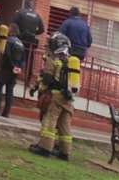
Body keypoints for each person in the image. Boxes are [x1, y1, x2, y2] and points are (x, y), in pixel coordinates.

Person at [29, 32, 80, 161]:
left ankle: (45, 148)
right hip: (68, 99)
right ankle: (64, 152)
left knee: (49, 120)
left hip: (55, 97)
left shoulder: (53, 59)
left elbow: (46, 79)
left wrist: (41, 90)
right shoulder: (70, 61)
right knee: (64, 124)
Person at [0, 22, 25, 118]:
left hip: (7, 68)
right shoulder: (21, 43)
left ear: (10, 30)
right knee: (9, 90)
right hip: (15, 70)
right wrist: (19, 68)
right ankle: (6, 112)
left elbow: (7, 54)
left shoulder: (9, 41)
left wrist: (11, 65)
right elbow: (24, 59)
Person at [12, 0, 45, 84]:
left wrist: (18, 32)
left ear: (25, 4)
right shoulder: (37, 15)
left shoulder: (20, 12)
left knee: (17, 57)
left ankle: (13, 77)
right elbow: (42, 29)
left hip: (20, 39)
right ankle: (28, 79)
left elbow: (13, 24)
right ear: (31, 5)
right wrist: (33, 33)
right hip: (31, 42)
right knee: (29, 59)